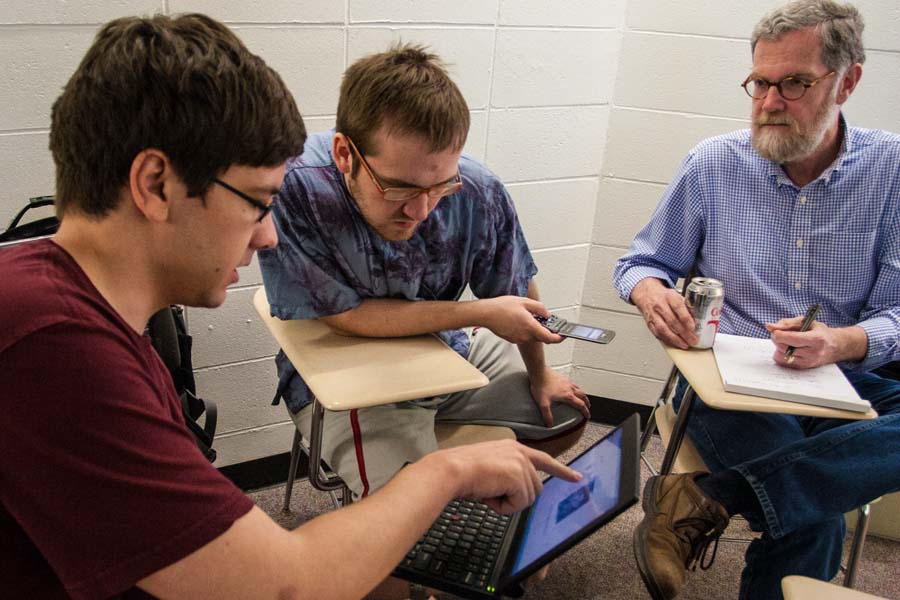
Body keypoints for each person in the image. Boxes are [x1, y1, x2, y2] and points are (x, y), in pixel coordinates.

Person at [0, 15, 583, 600]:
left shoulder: (82, 322)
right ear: (154, 184)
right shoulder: (51, 347)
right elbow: (286, 584)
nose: (267, 238)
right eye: (257, 202)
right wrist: (448, 471)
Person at [612, 1, 900, 598]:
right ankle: (726, 501)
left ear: (848, 81)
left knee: (805, 498)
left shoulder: (892, 170)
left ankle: (705, 501)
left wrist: (843, 341)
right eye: (760, 83)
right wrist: (649, 291)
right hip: (728, 374)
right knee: (813, 519)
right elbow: (641, 262)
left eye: (794, 83)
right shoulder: (713, 163)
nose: (769, 103)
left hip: (846, 375)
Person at [258, 44, 590, 499]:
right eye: (398, 188)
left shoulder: (476, 187)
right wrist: (477, 313)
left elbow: (515, 289)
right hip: (346, 377)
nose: (420, 209)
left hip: (443, 358)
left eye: (439, 186)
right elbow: (346, 317)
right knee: (406, 518)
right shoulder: (297, 186)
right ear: (344, 154)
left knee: (562, 418)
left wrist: (540, 374)